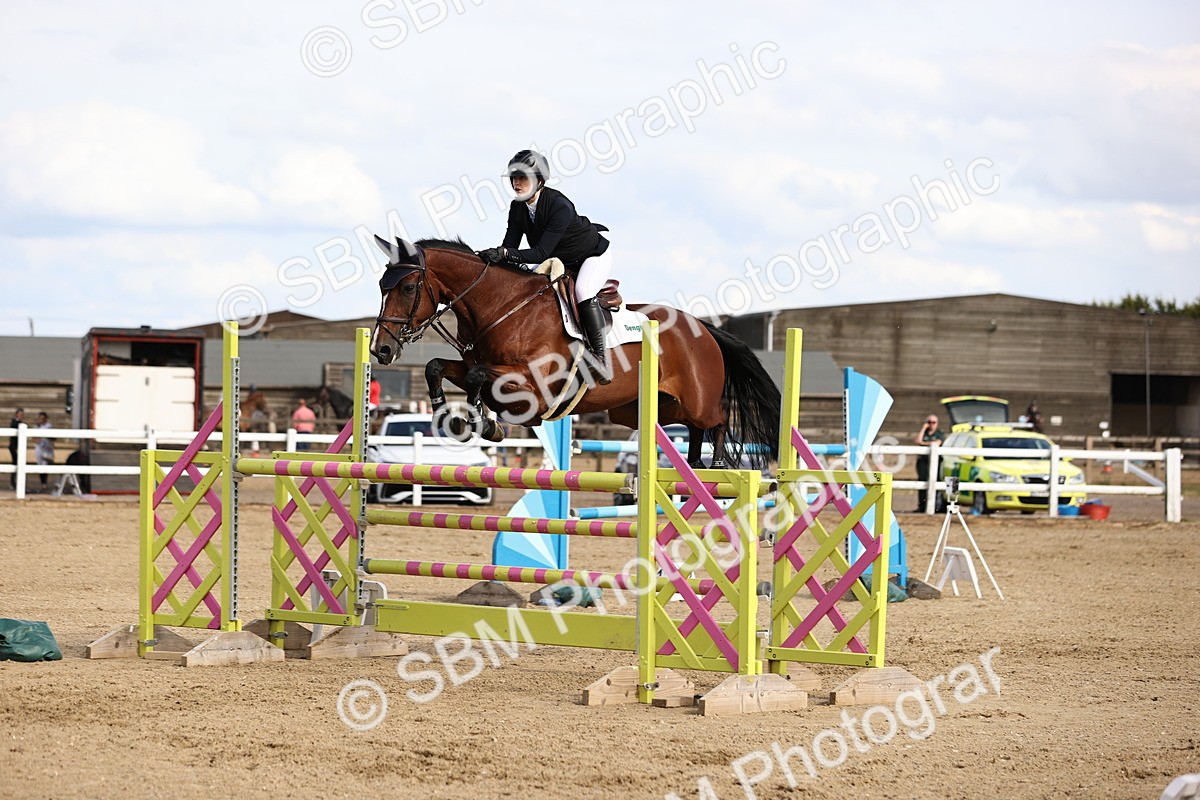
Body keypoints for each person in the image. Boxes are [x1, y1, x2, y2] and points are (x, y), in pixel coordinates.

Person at [478, 150, 614, 384]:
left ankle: (600, 360)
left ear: (539, 181)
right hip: (560, 262)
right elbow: (510, 246)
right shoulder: (517, 207)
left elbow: (541, 252)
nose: (516, 184)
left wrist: (505, 254)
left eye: (523, 178)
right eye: (514, 178)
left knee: (583, 291)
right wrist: (494, 258)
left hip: (591, 256)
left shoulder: (559, 205)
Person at [914, 413, 945, 511]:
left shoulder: (939, 433)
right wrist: (923, 428)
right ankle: (921, 507)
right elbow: (918, 441)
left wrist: (924, 443)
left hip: (936, 463)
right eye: (929, 422)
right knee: (922, 483)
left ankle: (935, 507)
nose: (931, 424)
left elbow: (937, 443)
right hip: (923, 463)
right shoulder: (925, 433)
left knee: (936, 483)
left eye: (933, 422)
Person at [34, 412, 53, 492]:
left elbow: (53, 437)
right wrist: (38, 440)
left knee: (45, 465)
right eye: (40, 418)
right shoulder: (36, 427)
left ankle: (44, 482)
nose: (41, 420)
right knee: (40, 465)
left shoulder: (49, 426)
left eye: (42, 418)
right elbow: (33, 438)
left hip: (47, 448)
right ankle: (42, 482)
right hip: (39, 448)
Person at [8, 408, 24, 489]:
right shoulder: (16, 423)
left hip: (17, 447)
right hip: (15, 447)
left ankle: (15, 482)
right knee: (15, 463)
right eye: (20, 414)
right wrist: (16, 448)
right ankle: (13, 483)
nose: (21, 416)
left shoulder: (18, 423)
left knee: (17, 463)